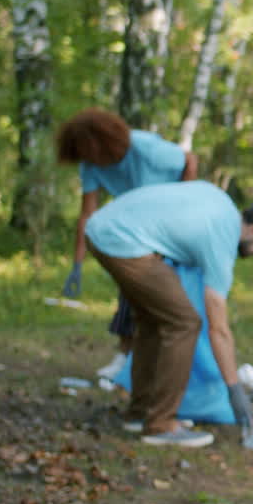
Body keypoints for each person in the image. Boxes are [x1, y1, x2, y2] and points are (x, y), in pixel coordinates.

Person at [85, 180, 253, 447]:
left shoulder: (222, 205)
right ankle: (161, 425)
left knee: (153, 321)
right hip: (121, 240)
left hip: (105, 228)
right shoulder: (223, 238)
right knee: (185, 323)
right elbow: (218, 329)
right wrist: (234, 389)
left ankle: (140, 413)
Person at [55, 108, 198, 379]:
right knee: (131, 289)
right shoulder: (91, 165)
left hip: (168, 222)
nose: (87, 158)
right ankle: (124, 356)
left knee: (169, 298)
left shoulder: (145, 149)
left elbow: (190, 160)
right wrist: (77, 263)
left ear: (102, 141)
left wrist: (183, 204)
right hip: (136, 229)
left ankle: (164, 361)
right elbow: (88, 213)